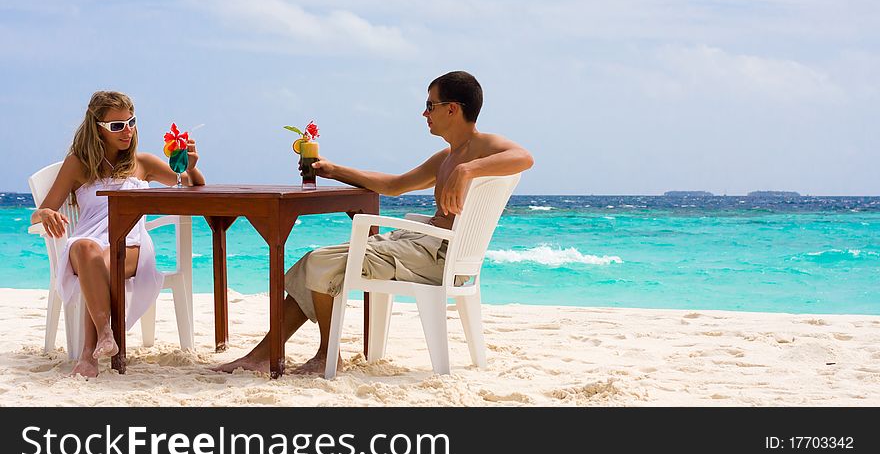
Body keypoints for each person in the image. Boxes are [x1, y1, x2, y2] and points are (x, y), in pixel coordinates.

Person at [216, 71, 533, 375]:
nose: (424, 114)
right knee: (312, 262)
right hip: (419, 246)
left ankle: (326, 354)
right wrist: (335, 170)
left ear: (452, 109)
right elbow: (395, 185)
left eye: (429, 106)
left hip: (435, 255)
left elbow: (524, 157)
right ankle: (265, 354)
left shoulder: (482, 147)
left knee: (320, 261)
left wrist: (468, 170)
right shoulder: (446, 156)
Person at [31, 91, 205, 378]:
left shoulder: (143, 163)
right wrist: (46, 214)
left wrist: (191, 166)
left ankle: (90, 353)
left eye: (131, 122)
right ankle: (104, 334)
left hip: (130, 243)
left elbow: (190, 184)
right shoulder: (78, 164)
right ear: (97, 127)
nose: (127, 130)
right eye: (117, 125)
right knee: (87, 248)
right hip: (85, 242)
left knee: (101, 263)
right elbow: (41, 210)